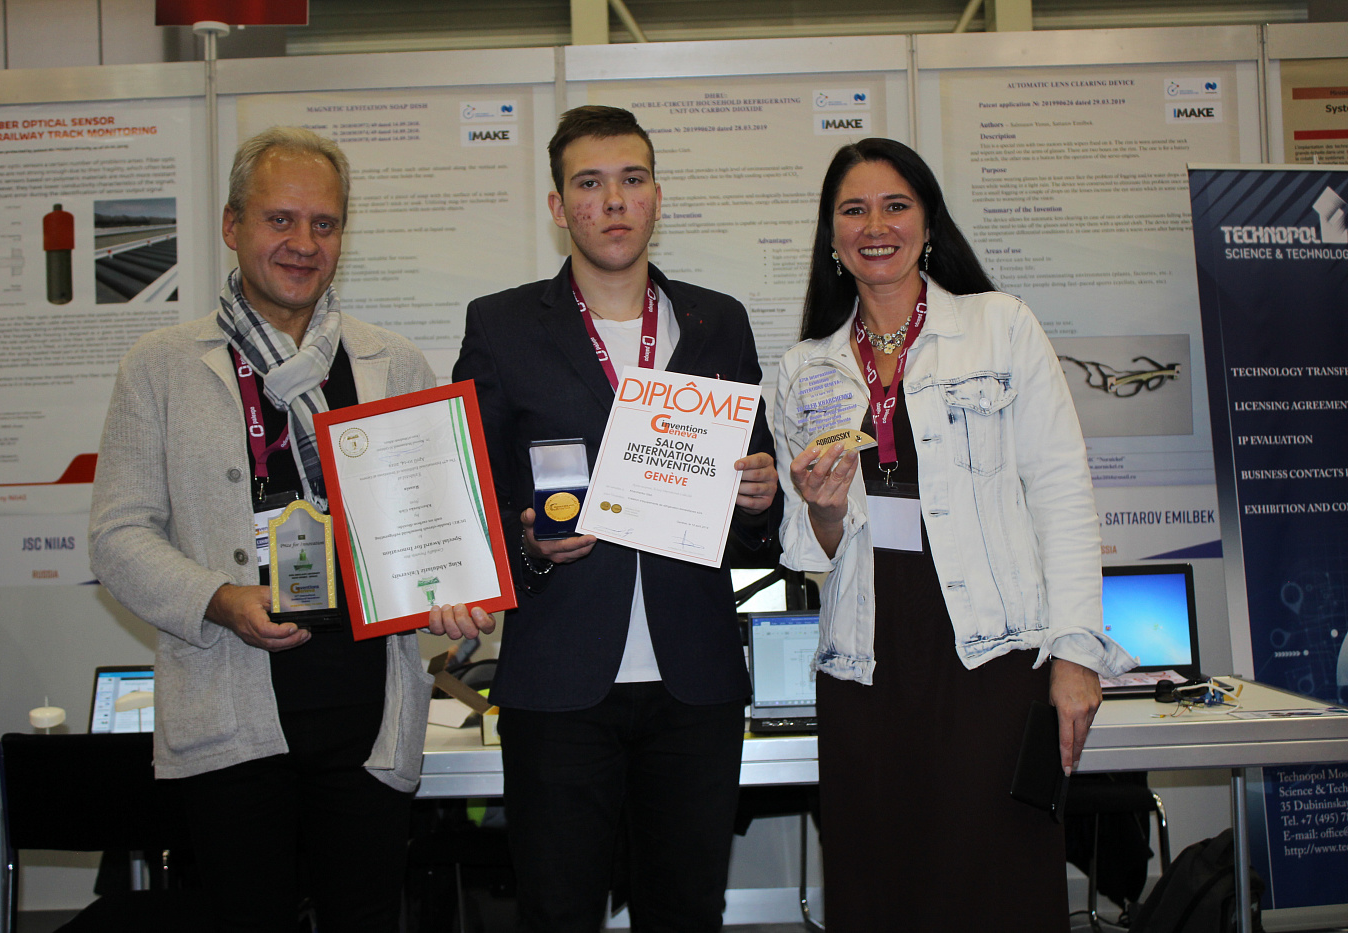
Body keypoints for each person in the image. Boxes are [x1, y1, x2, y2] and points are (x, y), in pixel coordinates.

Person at [89, 126, 480, 933]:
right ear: (232, 225)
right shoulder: (160, 366)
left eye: (324, 224)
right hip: (231, 706)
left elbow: (432, 525)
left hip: (367, 710)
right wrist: (218, 597)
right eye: (280, 219)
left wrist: (450, 587)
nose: (303, 243)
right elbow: (118, 536)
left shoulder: (393, 364)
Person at [773, 138, 1135, 932]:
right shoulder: (802, 369)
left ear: (929, 223)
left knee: (997, 888)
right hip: (866, 667)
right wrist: (824, 508)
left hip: (991, 663)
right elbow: (811, 547)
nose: (876, 226)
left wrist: (1076, 654)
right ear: (831, 236)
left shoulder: (1000, 327)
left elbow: (1062, 493)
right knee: (880, 890)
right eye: (854, 209)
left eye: (896, 206)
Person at [443, 105, 780, 933]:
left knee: (687, 911)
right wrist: (528, 547)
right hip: (558, 681)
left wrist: (760, 496)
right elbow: (471, 497)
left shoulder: (718, 321)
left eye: (632, 179)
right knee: (558, 913)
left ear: (657, 195)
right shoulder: (502, 325)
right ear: (558, 206)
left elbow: (753, 511)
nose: (614, 200)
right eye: (589, 183)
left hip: (693, 679)